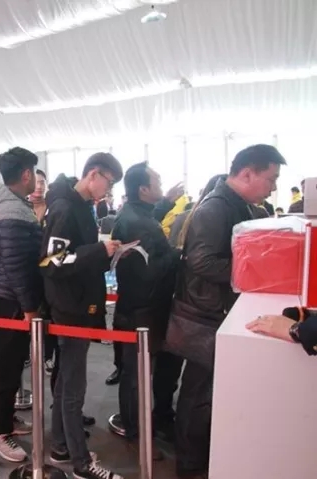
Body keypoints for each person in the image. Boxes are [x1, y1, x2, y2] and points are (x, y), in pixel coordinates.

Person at [171, 144, 285, 479]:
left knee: (208, 390)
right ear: (247, 173)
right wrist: (256, 273)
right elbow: (201, 261)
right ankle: (189, 462)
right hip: (205, 314)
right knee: (198, 391)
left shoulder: (240, 206)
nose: (273, 187)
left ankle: (201, 452)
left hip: (216, 310)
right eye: (271, 178)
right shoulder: (216, 208)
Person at [41, 153, 124, 479]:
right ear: (94, 174)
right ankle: (81, 462)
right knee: (73, 386)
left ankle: (61, 445)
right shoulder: (65, 208)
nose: (109, 189)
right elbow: (52, 262)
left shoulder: (78, 205)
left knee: (66, 382)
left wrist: (101, 253)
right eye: (109, 182)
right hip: (70, 308)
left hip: (75, 304)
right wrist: (98, 252)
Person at [108, 162, 183, 456]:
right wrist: (179, 256)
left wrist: (165, 204)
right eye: (157, 182)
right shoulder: (139, 223)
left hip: (141, 307)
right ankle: (136, 433)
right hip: (142, 311)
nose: (161, 186)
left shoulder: (136, 214)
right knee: (136, 376)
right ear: (143, 189)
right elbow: (150, 270)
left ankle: (143, 424)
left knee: (138, 373)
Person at [0, 147, 43, 462]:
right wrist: (30, 308)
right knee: (5, 371)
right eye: (35, 175)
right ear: (26, 174)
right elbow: (17, 266)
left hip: (6, 297)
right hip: (9, 302)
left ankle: (6, 418)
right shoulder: (12, 211)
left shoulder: (12, 205)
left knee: (12, 366)